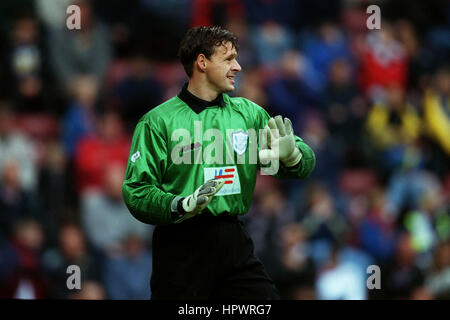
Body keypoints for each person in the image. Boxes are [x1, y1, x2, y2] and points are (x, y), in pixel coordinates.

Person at [122, 26, 316, 300]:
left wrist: (294, 156)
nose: (237, 66)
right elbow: (136, 191)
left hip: (233, 239)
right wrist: (178, 205)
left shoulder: (249, 114)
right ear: (202, 62)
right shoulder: (158, 122)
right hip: (180, 245)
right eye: (228, 59)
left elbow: (304, 163)